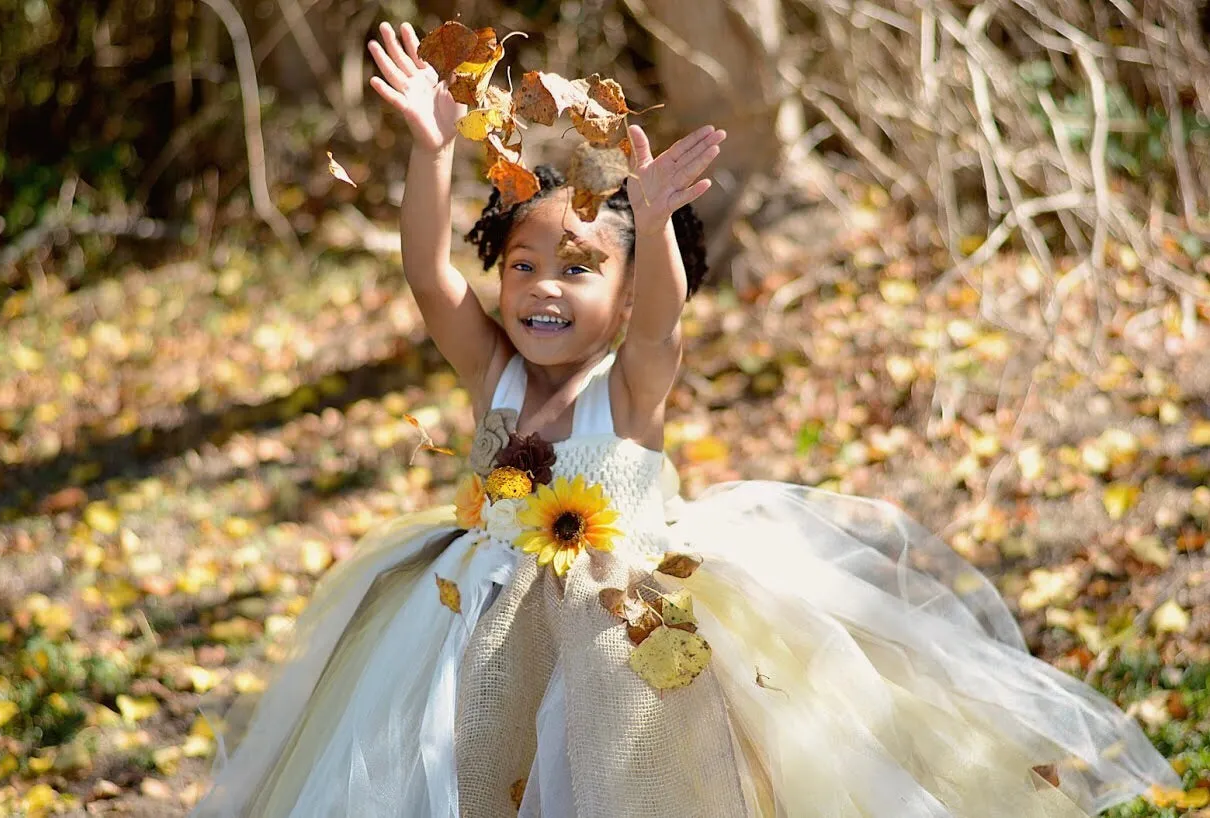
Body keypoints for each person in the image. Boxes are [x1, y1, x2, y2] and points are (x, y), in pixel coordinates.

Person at [191, 20, 1179, 818]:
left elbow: (664, 320)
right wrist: (430, 150)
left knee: (632, 783)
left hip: (620, 633)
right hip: (479, 623)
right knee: (477, 769)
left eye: (578, 267)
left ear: (619, 299)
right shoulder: (490, 369)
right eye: (524, 264)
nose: (541, 287)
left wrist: (654, 225)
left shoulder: (629, 380)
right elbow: (426, 272)